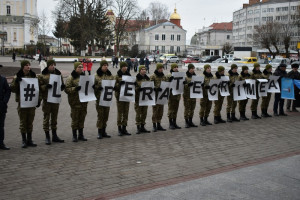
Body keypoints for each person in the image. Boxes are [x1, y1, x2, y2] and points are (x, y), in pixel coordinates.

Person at [10, 60, 38, 148]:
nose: (28, 66)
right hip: (22, 103)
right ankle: (23, 140)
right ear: (23, 67)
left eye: (29, 65)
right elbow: (12, 89)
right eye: (26, 65)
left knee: (30, 121)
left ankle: (29, 139)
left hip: (31, 102)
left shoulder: (33, 76)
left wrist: (38, 100)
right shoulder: (18, 76)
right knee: (23, 122)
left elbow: (37, 89)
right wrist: (16, 82)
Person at [38, 60, 65, 145]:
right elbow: (38, 87)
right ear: (48, 66)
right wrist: (45, 87)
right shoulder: (42, 75)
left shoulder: (58, 74)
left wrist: (62, 87)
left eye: (54, 65)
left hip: (55, 99)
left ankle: (54, 135)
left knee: (54, 118)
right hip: (47, 100)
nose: (53, 66)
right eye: (51, 65)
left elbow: (61, 86)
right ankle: (47, 136)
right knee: (46, 118)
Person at [65, 62, 88, 142]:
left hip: (83, 102)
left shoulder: (84, 77)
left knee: (82, 118)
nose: (81, 68)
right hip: (75, 102)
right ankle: (74, 135)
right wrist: (75, 89)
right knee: (75, 119)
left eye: (82, 67)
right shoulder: (71, 78)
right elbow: (67, 89)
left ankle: (81, 134)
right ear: (75, 68)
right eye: (79, 67)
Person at [93, 60, 114, 139]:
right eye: (104, 65)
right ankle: (99, 131)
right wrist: (97, 87)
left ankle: (104, 131)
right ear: (101, 66)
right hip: (99, 99)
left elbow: (113, 84)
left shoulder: (110, 75)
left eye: (106, 65)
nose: (106, 67)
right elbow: (92, 86)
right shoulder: (96, 75)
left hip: (107, 99)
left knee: (106, 115)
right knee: (100, 115)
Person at [115, 62, 132, 136]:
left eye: (126, 66)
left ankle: (124, 128)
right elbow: (114, 86)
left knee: (126, 112)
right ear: (121, 67)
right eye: (124, 66)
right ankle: (119, 129)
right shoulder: (117, 76)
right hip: (119, 96)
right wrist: (119, 84)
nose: (125, 68)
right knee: (120, 113)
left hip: (127, 96)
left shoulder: (129, 75)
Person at [150, 63, 167, 132]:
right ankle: (154, 125)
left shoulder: (163, 76)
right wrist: (156, 88)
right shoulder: (153, 76)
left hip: (162, 96)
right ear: (157, 69)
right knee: (155, 111)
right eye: (160, 68)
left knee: (161, 111)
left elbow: (166, 83)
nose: (161, 69)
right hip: (155, 96)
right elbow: (150, 85)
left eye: (162, 68)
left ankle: (159, 124)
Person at [135, 65, 151, 134]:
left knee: (144, 113)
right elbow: (132, 88)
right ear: (139, 70)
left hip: (145, 98)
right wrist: (138, 89)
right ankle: (138, 127)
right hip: (138, 99)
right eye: (142, 69)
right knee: (138, 113)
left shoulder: (147, 78)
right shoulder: (136, 79)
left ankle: (142, 126)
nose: (144, 70)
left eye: (145, 69)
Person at [167, 63, 181, 129]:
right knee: (171, 109)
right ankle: (170, 123)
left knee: (176, 109)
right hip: (171, 95)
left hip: (177, 95)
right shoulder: (169, 75)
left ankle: (174, 122)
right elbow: (166, 85)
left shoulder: (180, 75)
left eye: (177, 67)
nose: (176, 68)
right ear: (172, 68)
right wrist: (169, 81)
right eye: (174, 67)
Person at [183, 64, 198, 128]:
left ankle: (190, 121)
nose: (193, 69)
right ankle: (186, 122)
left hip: (193, 95)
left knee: (192, 108)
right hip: (187, 95)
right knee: (187, 109)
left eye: (193, 68)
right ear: (189, 69)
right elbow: (182, 86)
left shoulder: (195, 76)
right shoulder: (185, 77)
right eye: (192, 68)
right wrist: (188, 85)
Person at [0, 74, 11, 150]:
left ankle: (1, 143)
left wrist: (4, 101)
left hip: (1, 106)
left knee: (1, 126)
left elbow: (8, 90)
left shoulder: (3, 79)